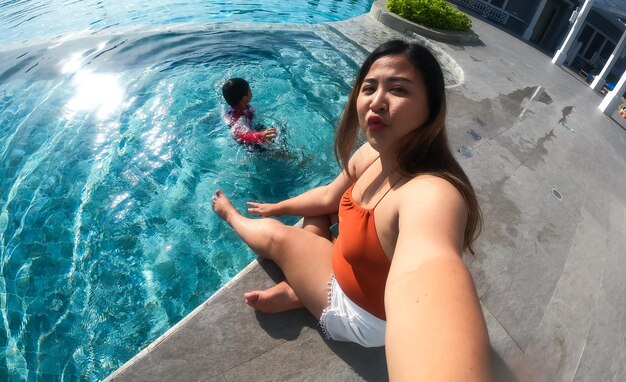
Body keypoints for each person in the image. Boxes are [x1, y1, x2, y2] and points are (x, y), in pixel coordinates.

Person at [212, 40, 491, 381]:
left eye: (399, 89)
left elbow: (431, 273)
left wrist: (269, 217)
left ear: (432, 108)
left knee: (277, 236)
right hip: (355, 272)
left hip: (359, 315)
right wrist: (278, 205)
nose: (377, 101)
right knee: (322, 211)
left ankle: (233, 219)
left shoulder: (432, 194)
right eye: (369, 87)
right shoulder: (371, 154)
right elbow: (329, 195)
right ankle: (302, 289)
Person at [222, 78, 277, 145]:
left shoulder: (240, 105)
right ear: (244, 98)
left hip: (252, 128)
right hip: (249, 142)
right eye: (249, 90)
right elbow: (241, 135)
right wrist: (260, 135)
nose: (251, 91)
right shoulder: (238, 118)